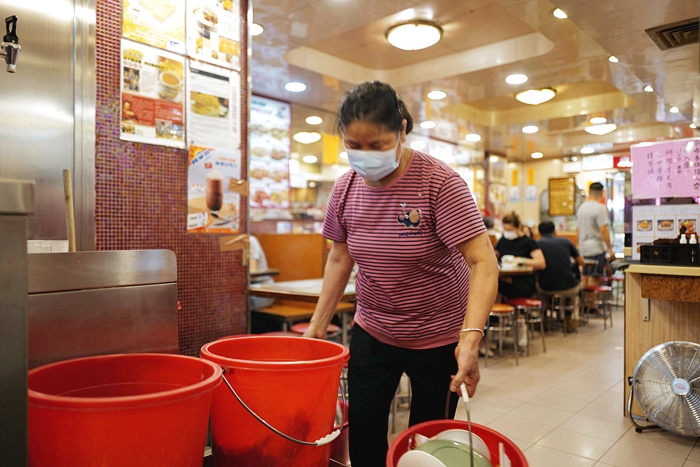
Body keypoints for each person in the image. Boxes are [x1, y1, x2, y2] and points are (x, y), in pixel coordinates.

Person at [302, 81, 499, 466]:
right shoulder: (344, 189)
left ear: (402, 130)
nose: (364, 155)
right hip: (374, 328)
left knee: (426, 441)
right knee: (364, 430)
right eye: (353, 145)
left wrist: (470, 339)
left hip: (439, 335)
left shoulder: (439, 183)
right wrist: (317, 324)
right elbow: (340, 258)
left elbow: (483, 262)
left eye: (377, 144)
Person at [577, 182, 614, 312]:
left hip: (584, 248)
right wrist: (609, 248)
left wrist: (578, 246)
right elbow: (603, 229)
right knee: (594, 277)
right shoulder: (599, 208)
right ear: (602, 193)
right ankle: (591, 307)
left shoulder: (582, 208)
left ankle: (583, 305)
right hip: (596, 248)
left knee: (584, 277)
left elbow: (578, 230)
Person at [494, 212, 546, 300]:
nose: (507, 233)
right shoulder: (503, 241)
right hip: (505, 278)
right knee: (492, 284)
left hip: (524, 281)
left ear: (518, 227)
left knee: (498, 287)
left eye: (510, 230)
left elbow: (541, 263)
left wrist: (520, 260)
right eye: (505, 230)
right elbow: (495, 255)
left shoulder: (528, 242)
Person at [536, 221, 585, 295]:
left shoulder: (536, 244)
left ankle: (544, 303)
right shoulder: (566, 241)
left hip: (545, 288)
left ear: (539, 233)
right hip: (569, 287)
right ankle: (571, 302)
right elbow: (581, 262)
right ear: (554, 231)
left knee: (536, 287)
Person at [248, 235, 274, 310]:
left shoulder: (250, 240)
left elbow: (251, 272)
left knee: (240, 303)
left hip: (264, 290)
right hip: (250, 289)